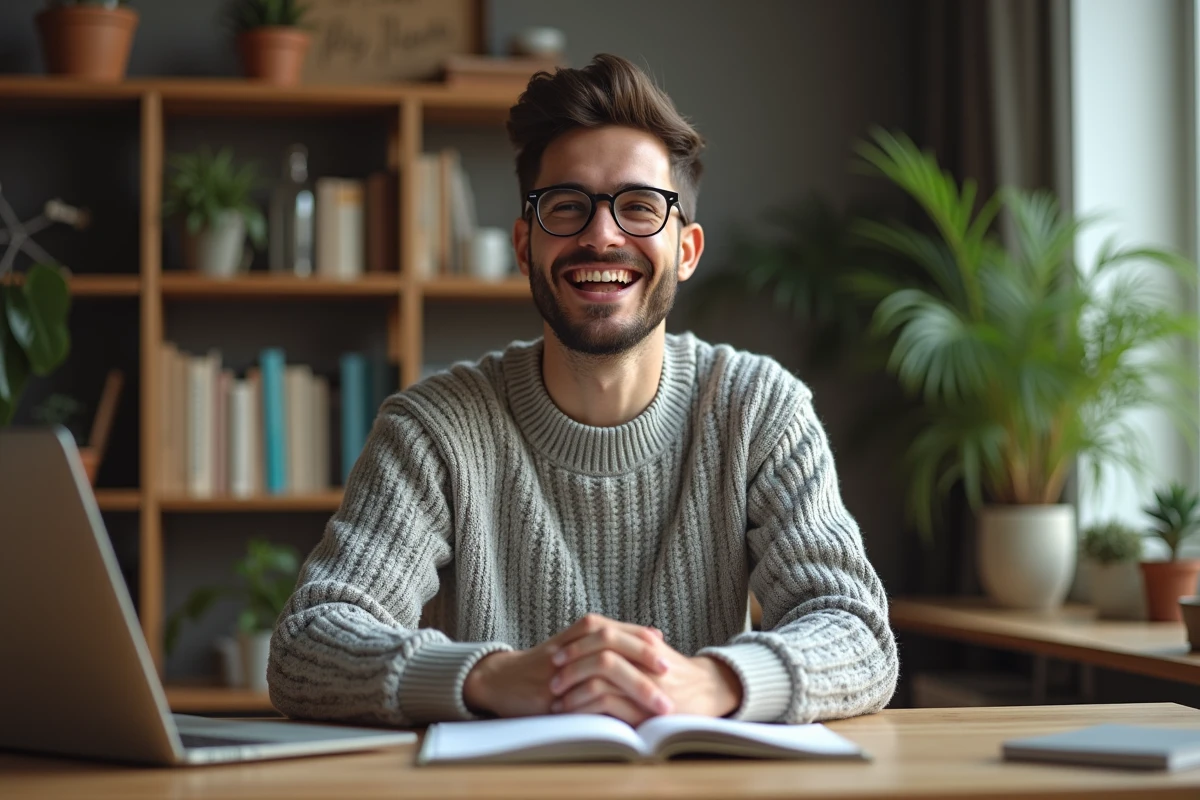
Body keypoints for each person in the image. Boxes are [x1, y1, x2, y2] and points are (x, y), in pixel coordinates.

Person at [268, 53, 898, 728]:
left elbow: (856, 631)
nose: (602, 236)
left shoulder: (759, 410)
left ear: (686, 250)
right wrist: (493, 677)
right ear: (523, 246)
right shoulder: (433, 428)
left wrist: (715, 684)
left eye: (639, 207)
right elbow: (307, 645)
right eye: (566, 207)